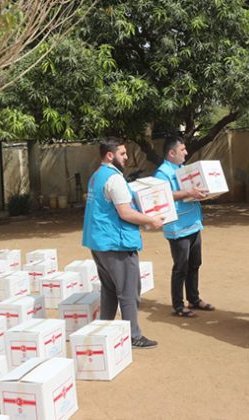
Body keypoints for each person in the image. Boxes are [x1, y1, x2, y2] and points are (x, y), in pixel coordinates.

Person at [82, 137, 164, 349]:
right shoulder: (114, 179)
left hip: (99, 242)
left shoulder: (96, 176)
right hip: (116, 243)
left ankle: (105, 330)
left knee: (109, 290)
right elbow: (125, 212)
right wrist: (151, 220)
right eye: (123, 154)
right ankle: (133, 336)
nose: (126, 158)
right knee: (129, 291)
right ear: (110, 155)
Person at [154, 135, 215, 318]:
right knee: (181, 266)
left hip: (193, 222)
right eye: (183, 150)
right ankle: (178, 306)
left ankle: (194, 299)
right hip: (177, 226)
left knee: (195, 263)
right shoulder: (162, 173)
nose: (186, 152)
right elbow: (162, 195)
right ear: (171, 153)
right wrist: (188, 192)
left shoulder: (184, 170)